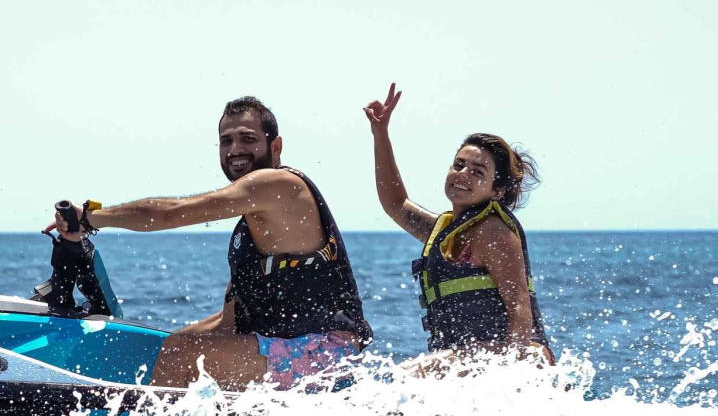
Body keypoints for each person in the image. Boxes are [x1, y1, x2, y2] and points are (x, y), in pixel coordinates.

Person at [48, 96, 371, 390]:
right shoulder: (251, 229)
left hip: (328, 354)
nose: (235, 150)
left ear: (275, 146)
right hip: (288, 351)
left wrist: (90, 217)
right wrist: (169, 342)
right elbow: (231, 320)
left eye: (248, 139)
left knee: (181, 354)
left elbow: (169, 214)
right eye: (226, 141)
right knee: (170, 347)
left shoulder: (278, 184)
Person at [362, 83, 554, 364]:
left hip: (519, 356)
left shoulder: (492, 232)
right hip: (473, 359)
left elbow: (519, 310)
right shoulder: (446, 231)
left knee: (414, 373)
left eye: (477, 171)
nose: (463, 174)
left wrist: (512, 374)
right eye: (458, 165)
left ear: (497, 191)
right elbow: (396, 204)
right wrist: (380, 134)